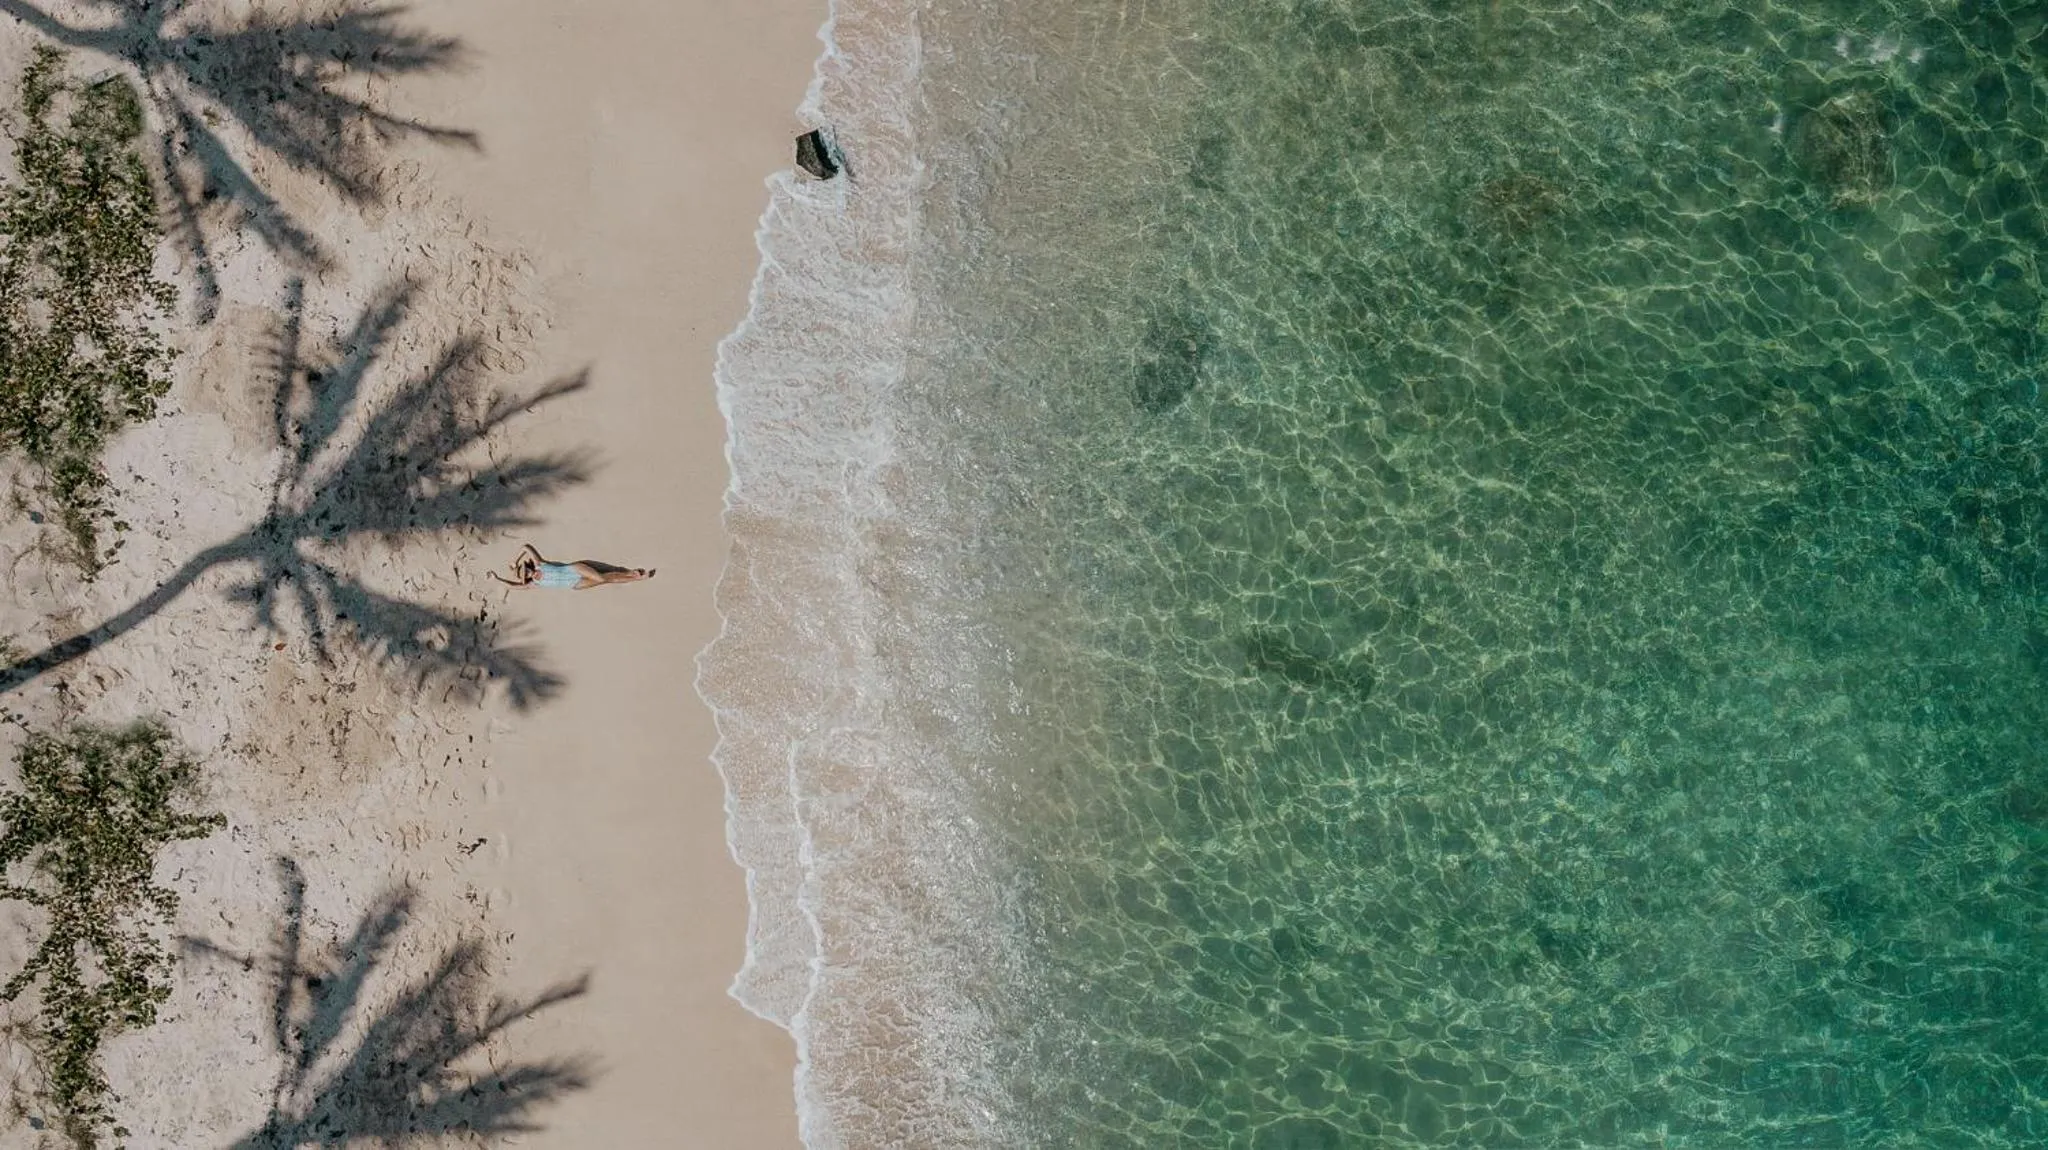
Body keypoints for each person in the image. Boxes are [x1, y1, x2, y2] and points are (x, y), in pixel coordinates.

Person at [490, 543, 655, 590]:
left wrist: (514, 561)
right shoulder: (535, 584)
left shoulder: (539, 564)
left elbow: (526, 547)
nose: (527, 573)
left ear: (529, 567)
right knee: (605, 580)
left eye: (526, 570)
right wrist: (497, 579)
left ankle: (634, 575)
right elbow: (513, 586)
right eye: (525, 575)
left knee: (600, 577)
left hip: (574, 569)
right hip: (575, 584)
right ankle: (634, 577)